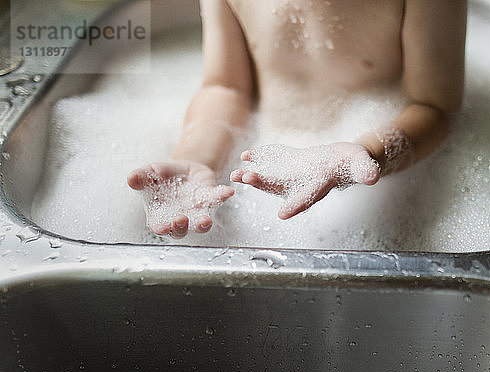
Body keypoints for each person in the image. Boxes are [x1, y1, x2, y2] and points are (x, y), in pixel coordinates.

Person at [127, 0, 467, 239]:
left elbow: (433, 106)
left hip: (378, 189)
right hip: (253, 181)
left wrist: (367, 152)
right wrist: (195, 157)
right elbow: (227, 87)